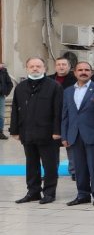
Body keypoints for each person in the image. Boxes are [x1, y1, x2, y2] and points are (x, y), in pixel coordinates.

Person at [10, 58, 63, 204]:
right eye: (32, 66)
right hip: (27, 132)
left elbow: (58, 111)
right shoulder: (20, 87)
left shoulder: (54, 86)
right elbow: (15, 109)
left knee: (50, 165)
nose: (35, 68)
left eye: (38, 66)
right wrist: (14, 130)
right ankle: (33, 191)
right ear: (27, 68)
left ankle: (49, 193)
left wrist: (57, 131)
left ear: (44, 68)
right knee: (31, 164)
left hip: (48, 134)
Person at [61, 61, 94, 206]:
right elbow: (65, 115)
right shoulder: (68, 91)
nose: (83, 72)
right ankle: (82, 195)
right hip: (74, 136)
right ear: (75, 72)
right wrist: (64, 136)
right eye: (80, 70)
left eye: (87, 70)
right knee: (79, 168)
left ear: (91, 72)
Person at [0, 62, 12, 139]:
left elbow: (10, 84)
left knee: (1, 115)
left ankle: (0, 132)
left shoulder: (4, 71)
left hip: (1, 96)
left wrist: (6, 93)